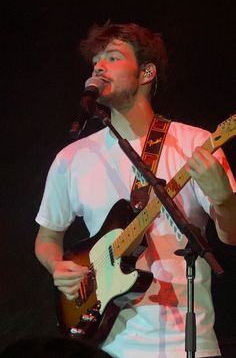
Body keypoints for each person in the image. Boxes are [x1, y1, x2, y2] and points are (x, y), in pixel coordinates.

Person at [35, 22, 236, 358]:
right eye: (96, 60)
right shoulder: (73, 158)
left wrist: (224, 198)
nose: (99, 66)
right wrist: (57, 266)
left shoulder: (194, 143)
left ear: (146, 73)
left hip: (186, 344)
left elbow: (230, 236)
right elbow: (47, 238)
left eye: (112, 57)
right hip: (104, 344)